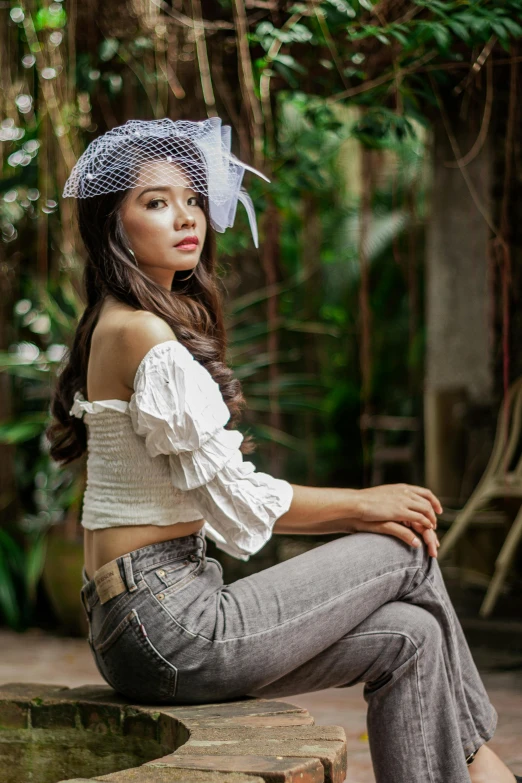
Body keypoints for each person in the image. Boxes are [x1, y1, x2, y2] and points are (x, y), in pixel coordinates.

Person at [46, 117, 520, 783]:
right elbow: (239, 506)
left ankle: (470, 764)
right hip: (169, 623)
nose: (187, 216)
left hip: (147, 619)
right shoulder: (142, 332)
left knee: (413, 635)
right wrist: (364, 503)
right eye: (155, 202)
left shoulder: (119, 318)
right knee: (405, 545)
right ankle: (481, 761)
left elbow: (208, 499)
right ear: (113, 226)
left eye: (191, 198)